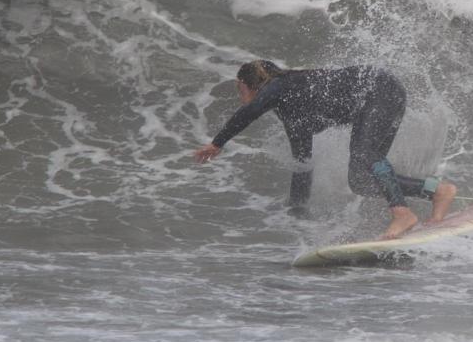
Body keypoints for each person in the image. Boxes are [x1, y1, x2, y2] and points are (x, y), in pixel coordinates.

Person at [194, 60, 457, 239]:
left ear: (250, 84)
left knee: (366, 156)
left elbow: (250, 111)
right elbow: (303, 164)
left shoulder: (279, 85)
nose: (241, 96)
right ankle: (437, 191)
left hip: (380, 89)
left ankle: (402, 213)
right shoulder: (293, 113)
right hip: (380, 99)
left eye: (240, 89)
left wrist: (217, 143)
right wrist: (296, 213)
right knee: (360, 180)